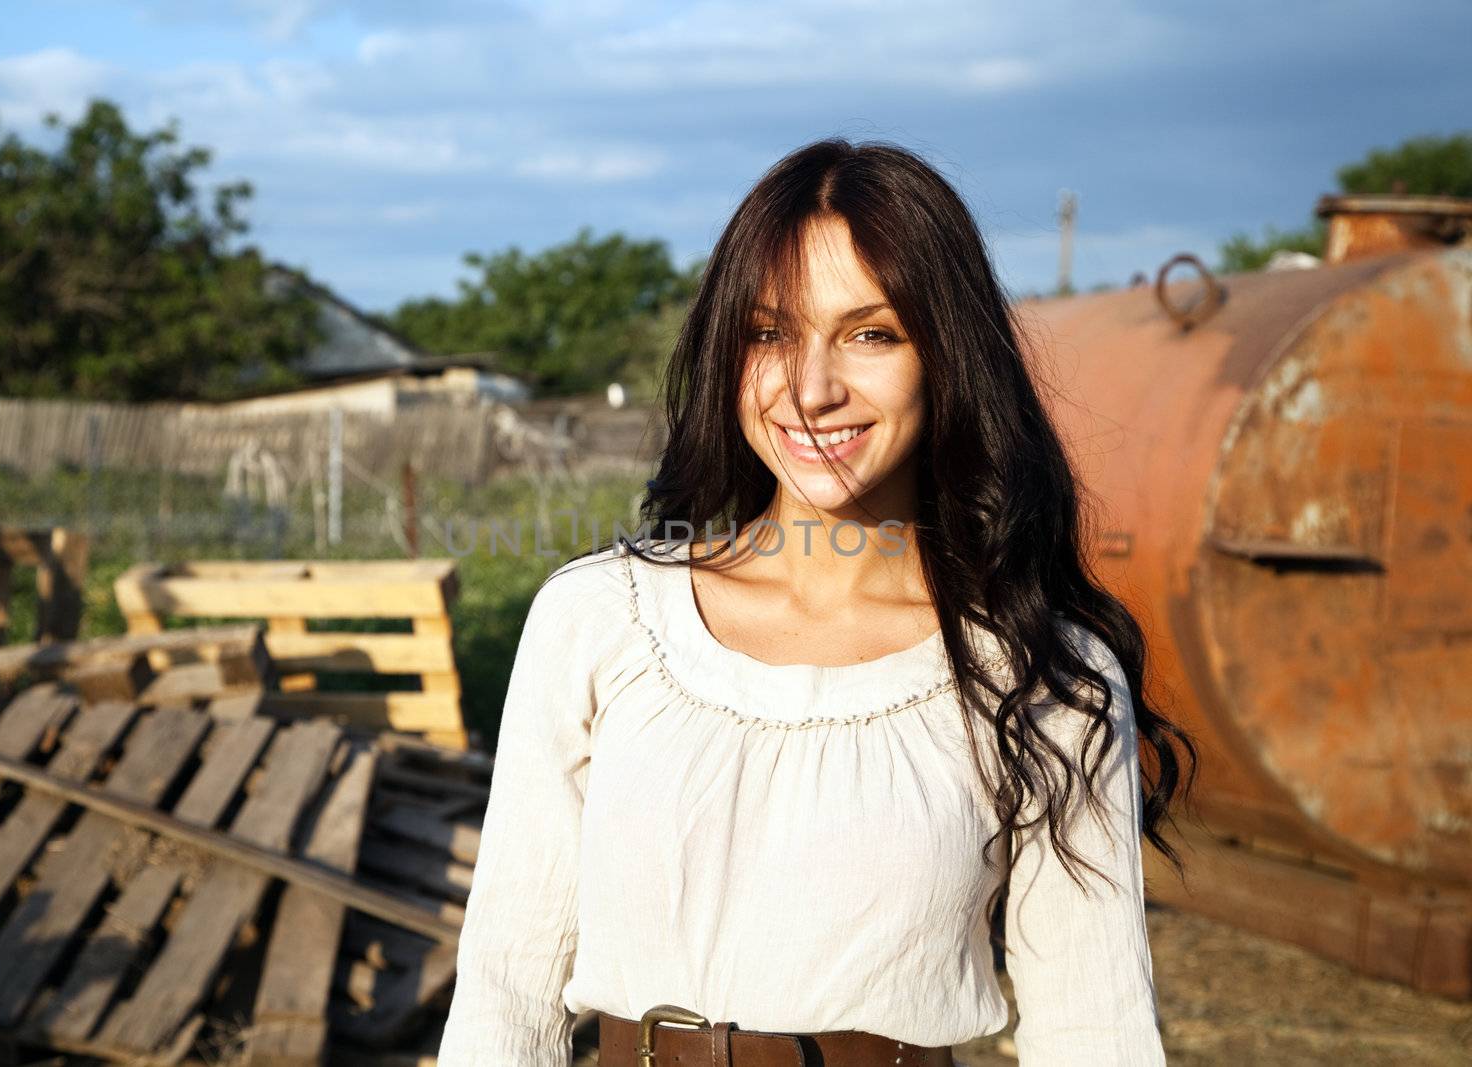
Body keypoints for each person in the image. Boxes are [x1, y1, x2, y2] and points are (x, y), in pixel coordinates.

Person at [435, 138, 1197, 1067]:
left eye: (871, 334)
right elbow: (506, 994)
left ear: (947, 356)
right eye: (769, 333)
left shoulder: (1044, 671)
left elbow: (1096, 1031)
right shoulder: (602, 620)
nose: (812, 388)